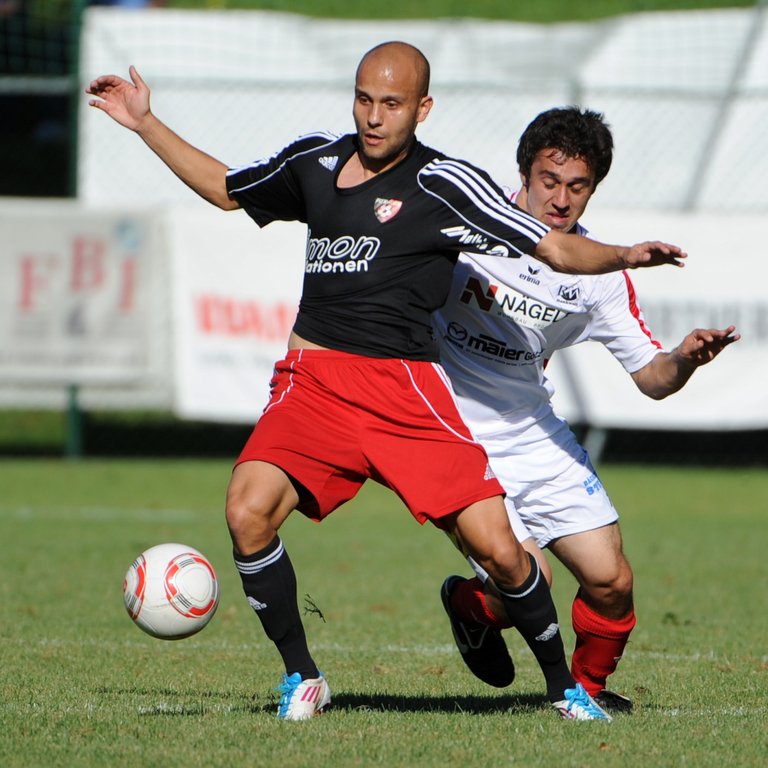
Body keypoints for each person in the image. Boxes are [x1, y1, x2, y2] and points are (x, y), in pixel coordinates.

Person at [86, 42, 685, 722]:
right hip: (314, 382)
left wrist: (623, 255)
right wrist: (144, 123)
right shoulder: (313, 163)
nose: (374, 116)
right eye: (365, 99)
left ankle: (565, 690)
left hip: (405, 389)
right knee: (246, 511)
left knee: (507, 555)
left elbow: (550, 247)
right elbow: (227, 189)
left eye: (392, 104)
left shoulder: (446, 184)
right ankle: (301, 677)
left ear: (421, 109)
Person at [434, 106, 738, 714]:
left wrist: (684, 359)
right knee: (531, 581)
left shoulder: (598, 274)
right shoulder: (467, 225)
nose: (561, 199)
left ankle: (585, 693)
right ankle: (473, 606)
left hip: (531, 431)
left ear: (593, 188)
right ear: (523, 173)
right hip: (448, 430)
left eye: (577, 186)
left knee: (611, 580)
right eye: (549, 180)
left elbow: (652, 379)